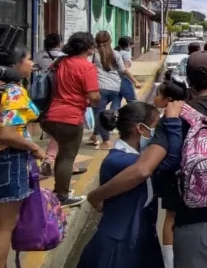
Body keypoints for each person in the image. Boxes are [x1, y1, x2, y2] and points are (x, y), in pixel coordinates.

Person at [87, 51, 207, 268]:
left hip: (190, 217)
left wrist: (95, 196)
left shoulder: (175, 114)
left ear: (188, 80)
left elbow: (143, 169)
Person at [76, 101, 182, 268]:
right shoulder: (120, 161)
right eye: (157, 128)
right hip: (117, 247)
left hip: (138, 241)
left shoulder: (135, 156)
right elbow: (170, 159)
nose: (158, 135)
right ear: (140, 129)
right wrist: (172, 122)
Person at [42, 32, 100, 207]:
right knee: (67, 157)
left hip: (49, 115)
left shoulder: (60, 62)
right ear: (88, 47)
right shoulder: (86, 67)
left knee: (62, 154)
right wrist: (91, 102)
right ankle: (62, 196)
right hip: (70, 117)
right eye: (93, 45)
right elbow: (94, 96)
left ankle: (59, 190)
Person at [0, 45, 45, 265]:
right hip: (8, 159)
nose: (32, 64)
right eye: (28, 59)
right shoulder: (13, 91)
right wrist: (33, 147)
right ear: (15, 64)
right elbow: (8, 134)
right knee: (5, 225)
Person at [37, 34, 86, 178]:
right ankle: (65, 169)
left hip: (48, 99)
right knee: (68, 142)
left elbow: (37, 68)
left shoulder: (42, 56)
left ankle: (49, 159)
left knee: (58, 136)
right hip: (67, 102)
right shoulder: (66, 59)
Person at [152, 80, 188, 268]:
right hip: (188, 176)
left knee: (171, 217)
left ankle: (169, 262)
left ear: (169, 100)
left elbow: (172, 156)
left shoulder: (168, 119)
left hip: (173, 178)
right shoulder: (189, 114)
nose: (155, 97)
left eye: (158, 94)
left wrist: (157, 168)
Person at [89, 31, 141, 150]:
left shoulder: (93, 54)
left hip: (100, 87)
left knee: (100, 114)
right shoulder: (116, 53)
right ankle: (94, 135)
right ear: (110, 41)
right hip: (115, 88)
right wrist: (136, 82)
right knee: (104, 111)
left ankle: (106, 141)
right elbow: (124, 70)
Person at [112, 37, 138, 110]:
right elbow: (125, 70)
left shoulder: (115, 52)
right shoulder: (125, 54)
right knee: (132, 101)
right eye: (131, 44)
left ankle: (113, 119)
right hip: (123, 79)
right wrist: (135, 82)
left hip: (115, 80)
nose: (132, 47)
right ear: (128, 44)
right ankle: (136, 117)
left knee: (116, 102)